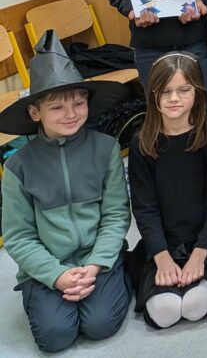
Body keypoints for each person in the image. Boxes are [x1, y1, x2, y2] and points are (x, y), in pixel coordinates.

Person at [0, 33, 133, 353]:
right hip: (48, 263)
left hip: (97, 256)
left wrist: (97, 263)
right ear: (35, 113)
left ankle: (120, 271)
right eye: (57, 107)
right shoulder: (18, 165)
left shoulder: (106, 149)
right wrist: (56, 275)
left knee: (100, 325)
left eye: (78, 102)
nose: (70, 113)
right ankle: (43, 293)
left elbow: (116, 215)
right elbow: (18, 236)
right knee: (55, 336)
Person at [128, 52, 207, 329]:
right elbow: (144, 208)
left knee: (195, 307)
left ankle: (204, 276)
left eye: (184, 90)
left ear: (198, 92)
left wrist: (199, 254)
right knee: (165, 312)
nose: (174, 98)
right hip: (164, 242)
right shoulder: (141, 143)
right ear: (153, 95)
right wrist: (161, 257)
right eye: (165, 91)